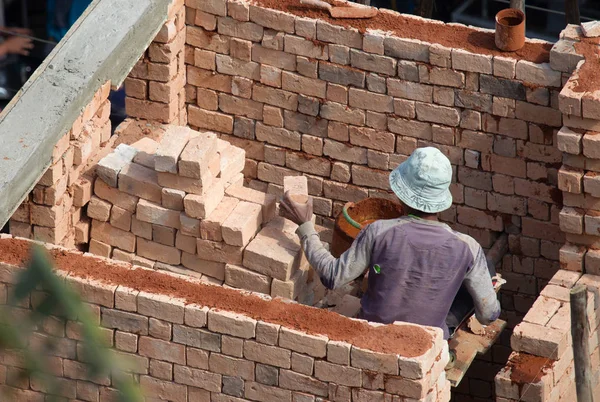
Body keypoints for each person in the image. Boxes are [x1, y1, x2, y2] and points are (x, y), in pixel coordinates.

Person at [281, 147, 501, 341]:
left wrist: (305, 225)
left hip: (374, 333)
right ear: (441, 200)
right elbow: (488, 315)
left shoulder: (379, 231)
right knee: (483, 271)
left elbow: (333, 276)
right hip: (425, 343)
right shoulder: (468, 247)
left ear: (401, 196)